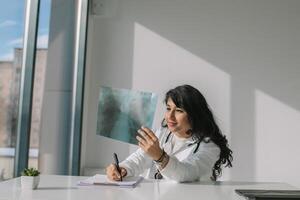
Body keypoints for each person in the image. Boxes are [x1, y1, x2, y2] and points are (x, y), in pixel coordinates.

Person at [106, 84, 233, 182]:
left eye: (178, 110)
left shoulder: (209, 147)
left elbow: (185, 173)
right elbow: (138, 159)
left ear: (195, 115)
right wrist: (122, 169)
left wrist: (160, 157)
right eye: (168, 108)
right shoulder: (161, 133)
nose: (170, 116)